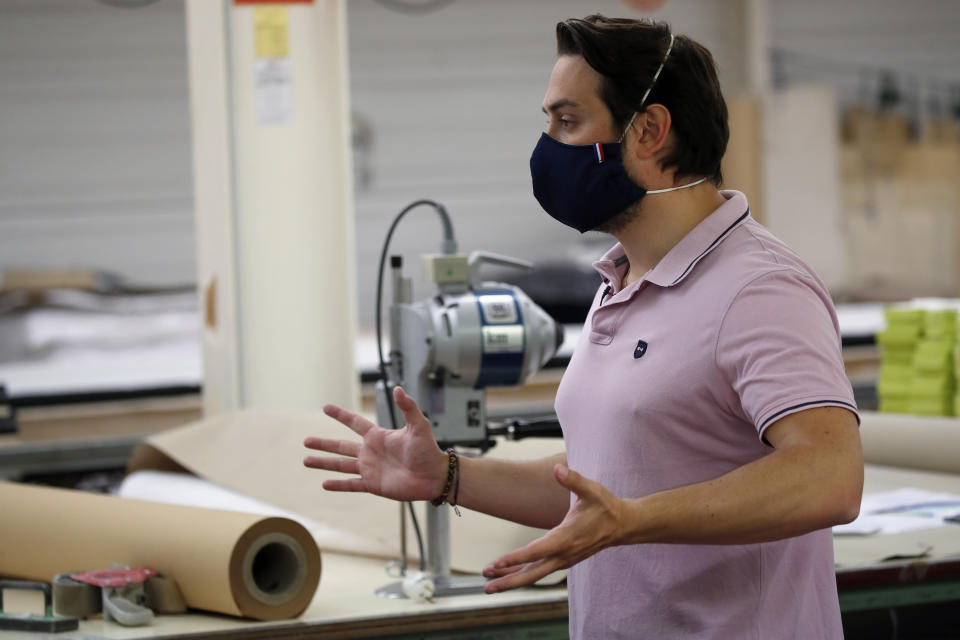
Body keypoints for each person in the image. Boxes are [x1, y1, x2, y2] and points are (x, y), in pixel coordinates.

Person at [304, 15, 862, 639]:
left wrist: (633, 520)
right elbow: (604, 488)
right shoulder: (620, 280)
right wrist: (448, 477)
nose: (548, 146)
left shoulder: (759, 287)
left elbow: (829, 476)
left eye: (567, 122)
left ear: (649, 130)